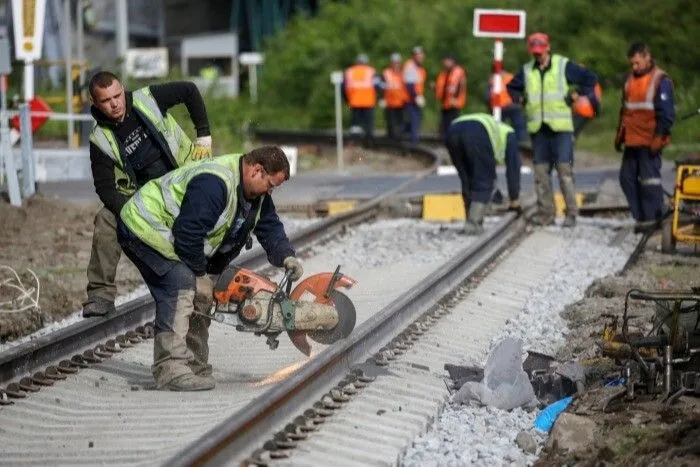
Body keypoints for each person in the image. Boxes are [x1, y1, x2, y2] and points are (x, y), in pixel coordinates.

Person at [117, 146, 303, 391]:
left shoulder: (255, 196)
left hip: (172, 236)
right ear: (257, 170)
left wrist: (286, 257)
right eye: (270, 184)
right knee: (182, 284)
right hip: (143, 226)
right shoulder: (215, 183)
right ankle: (170, 369)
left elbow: (269, 227)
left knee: (202, 296)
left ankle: (193, 365)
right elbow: (188, 234)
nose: (271, 191)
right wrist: (199, 274)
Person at [82, 71, 213, 318]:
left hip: (185, 182)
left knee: (200, 257)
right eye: (106, 100)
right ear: (95, 104)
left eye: (117, 95)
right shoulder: (99, 139)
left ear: (123, 89)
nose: (115, 104)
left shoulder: (149, 98)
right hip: (147, 199)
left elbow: (189, 90)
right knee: (106, 219)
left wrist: (203, 135)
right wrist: (130, 214)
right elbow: (105, 188)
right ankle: (100, 295)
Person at [507, 32, 599, 227]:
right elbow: (512, 87)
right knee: (541, 173)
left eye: (540, 51)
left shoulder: (562, 65)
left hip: (560, 129)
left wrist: (575, 94)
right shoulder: (527, 70)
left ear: (547, 48)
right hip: (539, 129)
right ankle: (546, 214)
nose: (538, 55)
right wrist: (519, 99)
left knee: (564, 171)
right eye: (534, 52)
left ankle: (571, 214)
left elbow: (590, 78)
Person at [615, 42, 675, 229]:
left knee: (650, 181)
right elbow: (625, 111)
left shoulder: (660, 80)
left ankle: (654, 217)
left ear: (647, 57)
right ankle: (641, 217)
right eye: (632, 64)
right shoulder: (629, 80)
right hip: (632, 139)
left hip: (650, 140)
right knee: (626, 178)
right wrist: (619, 135)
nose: (634, 67)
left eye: (637, 63)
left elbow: (666, 113)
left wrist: (659, 136)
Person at [445, 113, 521, 235]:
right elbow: (513, 169)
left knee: (467, 179)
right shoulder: (509, 134)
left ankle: (469, 219)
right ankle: (473, 225)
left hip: (453, 130)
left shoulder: (496, 130)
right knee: (484, 182)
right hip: (476, 131)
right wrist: (514, 200)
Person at [343, 54, 381, 144]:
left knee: (355, 124)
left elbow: (344, 87)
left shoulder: (350, 71)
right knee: (368, 123)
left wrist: (347, 100)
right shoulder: (371, 71)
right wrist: (378, 97)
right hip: (368, 102)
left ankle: (355, 140)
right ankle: (369, 140)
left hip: (354, 102)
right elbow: (377, 86)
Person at [485, 70, 528, 143]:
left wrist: (490, 108)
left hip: (500, 107)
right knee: (519, 127)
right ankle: (521, 143)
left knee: (497, 128)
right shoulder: (510, 76)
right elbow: (519, 90)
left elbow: (488, 95)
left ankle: (499, 142)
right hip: (513, 105)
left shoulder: (493, 78)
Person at [403, 46, 427, 143]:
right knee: (414, 121)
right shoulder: (410, 66)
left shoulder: (417, 67)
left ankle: (405, 137)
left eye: (421, 55)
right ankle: (413, 142)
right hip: (411, 99)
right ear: (414, 56)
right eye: (418, 55)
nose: (420, 57)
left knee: (415, 120)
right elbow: (409, 85)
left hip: (414, 98)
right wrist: (416, 97)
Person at [379, 53, 406, 141]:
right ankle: (390, 139)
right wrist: (382, 98)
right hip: (389, 102)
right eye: (394, 62)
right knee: (390, 122)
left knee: (400, 123)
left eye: (397, 63)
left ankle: (399, 139)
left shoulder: (403, 73)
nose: (396, 65)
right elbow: (381, 86)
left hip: (401, 102)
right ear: (391, 63)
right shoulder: (386, 73)